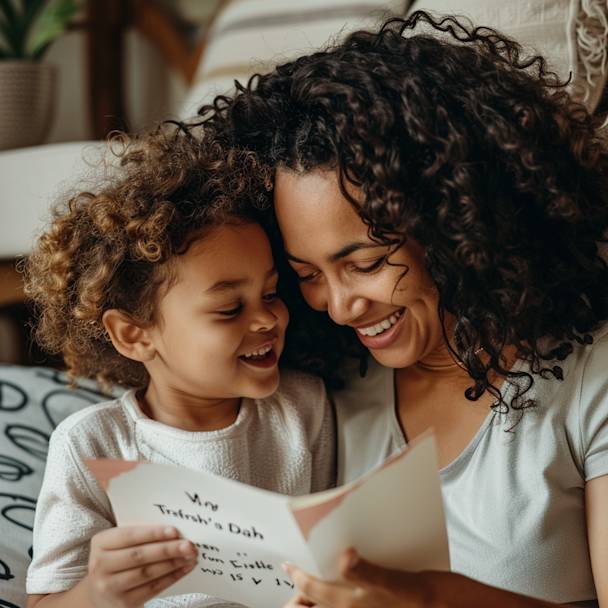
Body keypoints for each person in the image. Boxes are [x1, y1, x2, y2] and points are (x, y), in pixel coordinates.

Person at [201, 10, 608, 608]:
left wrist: (427, 599)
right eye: (306, 275)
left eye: (364, 263)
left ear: (452, 223)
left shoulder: (587, 381)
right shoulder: (321, 392)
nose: (339, 306)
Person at [23, 125, 335, 608]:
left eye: (271, 293)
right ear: (134, 335)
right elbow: (45, 603)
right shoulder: (92, 446)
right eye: (230, 309)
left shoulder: (304, 407)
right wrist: (98, 593)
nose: (268, 318)